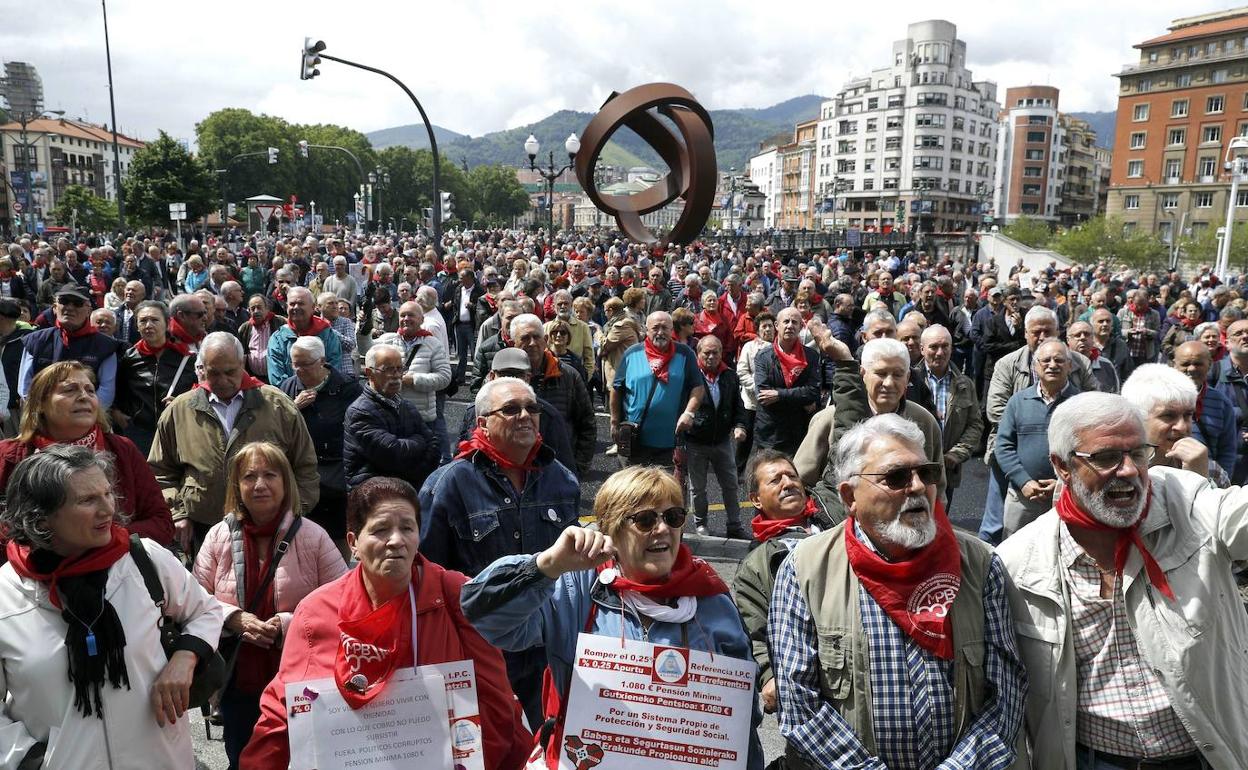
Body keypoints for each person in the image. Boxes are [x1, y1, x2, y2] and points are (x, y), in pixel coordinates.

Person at [998, 391, 1248, 770]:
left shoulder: (1187, 498)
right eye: (1106, 457)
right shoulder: (1019, 563)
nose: (1129, 470)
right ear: (1062, 466)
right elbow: (1008, 700)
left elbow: (1237, 516)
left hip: (1207, 755)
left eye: (1137, 453)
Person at [461, 465, 764, 770]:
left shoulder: (712, 598)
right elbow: (483, 614)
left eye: (673, 517)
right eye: (645, 520)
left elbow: (740, 723)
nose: (662, 529)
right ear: (612, 531)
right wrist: (549, 564)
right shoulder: (575, 588)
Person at [771, 414, 1027, 770]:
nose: (919, 487)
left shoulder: (981, 565)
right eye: (897, 477)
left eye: (927, 473)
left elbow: (1007, 692)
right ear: (850, 496)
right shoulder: (805, 570)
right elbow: (799, 703)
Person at [241, 476, 531, 769]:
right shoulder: (315, 613)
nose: (396, 540)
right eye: (381, 530)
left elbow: (496, 706)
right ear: (353, 543)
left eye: (407, 528)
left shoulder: (456, 596)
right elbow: (283, 715)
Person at [0, 446, 224, 770]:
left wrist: (184, 658)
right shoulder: (7, 594)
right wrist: (29, 761)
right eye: (87, 500)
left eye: (107, 493)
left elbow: (207, 611)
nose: (107, 509)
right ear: (42, 517)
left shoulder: (144, 559)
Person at [420, 376, 579, 727]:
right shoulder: (448, 484)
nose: (525, 416)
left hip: (545, 651)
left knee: (544, 747)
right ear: (482, 423)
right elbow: (426, 576)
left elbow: (575, 575)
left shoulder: (562, 480)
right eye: (510, 409)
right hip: (480, 652)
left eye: (531, 408)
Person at [192, 442, 346, 769]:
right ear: (237, 486)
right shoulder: (218, 536)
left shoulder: (314, 537)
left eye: (269, 475)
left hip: (304, 682)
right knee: (244, 757)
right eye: (249, 477)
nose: (260, 484)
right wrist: (234, 618)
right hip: (237, 680)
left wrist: (288, 624)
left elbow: (345, 604)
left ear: (285, 482)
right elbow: (194, 601)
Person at [150, 332, 320, 555]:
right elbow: (160, 472)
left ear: (243, 364)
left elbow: (305, 466)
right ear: (201, 368)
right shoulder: (179, 411)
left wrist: (294, 513)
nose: (222, 380)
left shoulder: (277, 405)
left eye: (230, 372)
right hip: (203, 530)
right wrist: (179, 514)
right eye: (213, 373)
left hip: (272, 529)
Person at [0, 359, 175, 548]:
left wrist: (106, 540)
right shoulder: (8, 456)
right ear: (40, 403)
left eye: (90, 390)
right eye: (70, 390)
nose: (84, 396)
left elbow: (161, 522)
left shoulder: (123, 450)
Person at [732, 450, 835, 717]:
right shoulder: (756, 566)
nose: (788, 483)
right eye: (775, 480)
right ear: (755, 499)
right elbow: (754, 630)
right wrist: (768, 677)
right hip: (813, 682)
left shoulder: (834, 521)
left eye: (792, 476)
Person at [277, 336, 362, 546]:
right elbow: (274, 430)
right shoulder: (286, 389)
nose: (298, 370)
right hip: (301, 476)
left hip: (336, 476)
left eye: (304, 364)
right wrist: (293, 408)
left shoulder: (347, 388)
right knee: (301, 537)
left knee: (337, 538)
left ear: (322, 361)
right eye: (294, 364)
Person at [995, 339, 1079, 538]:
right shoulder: (1018, 401)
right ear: (1035, 365)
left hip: (1067, 495)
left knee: (1061, 552)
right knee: (1014, 551)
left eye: (1059, 360)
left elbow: (1088, 452)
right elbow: (1004, 446)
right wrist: (1023, 481)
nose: (1052, 365)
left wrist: (1062, 484)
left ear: (1070, 365)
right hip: (1022, 496)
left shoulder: (1081, 403)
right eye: (1046, 360)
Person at [456, 348, 577, 473]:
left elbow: (565, 472)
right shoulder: (475, 410)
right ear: (492, 376)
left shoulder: (548, 414)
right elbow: (461, 455)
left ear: (529, 378)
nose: (524, 415)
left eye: (518, 375)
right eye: (505, 375)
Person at [342, 342, 441, 491]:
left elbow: (435, 446)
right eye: (388, 369)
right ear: (369, 373)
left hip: (407, 491)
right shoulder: (360, 411)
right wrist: (419, 441)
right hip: (374, 497)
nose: (396, 376)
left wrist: (415, 472)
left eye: (399, 369)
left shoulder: (406, 405)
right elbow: (393, 454)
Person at [610, 311, 704, 468]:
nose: (660, 332)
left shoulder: (685, 354)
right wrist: (614, 421)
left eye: (665, 328)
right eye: (655, 328)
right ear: (646, 330)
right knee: (632, 490)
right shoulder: (631, 353)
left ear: (671, 330)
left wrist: (689, 413)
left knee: (664, 491)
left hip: (669, 441)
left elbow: (698, 387)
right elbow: (616, 389)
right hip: (634, 439)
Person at [511, 314, 595, 477]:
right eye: (525, 338)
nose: (533, 343)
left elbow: (587, 423)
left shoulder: (569, 375)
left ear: (546, 339)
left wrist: (578, 467)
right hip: (514, 470)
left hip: (558, 469)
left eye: (537, 337)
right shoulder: (503, 378)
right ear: (512, 342)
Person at [113, 299, 198, 456]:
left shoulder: (186, 357)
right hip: (140, 433)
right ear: (137, 326)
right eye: (143, 321)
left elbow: (199, 390)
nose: (148, 325)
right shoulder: (130, 357)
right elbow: (119, 389)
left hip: (177, 429)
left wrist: (182, 402)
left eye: (154, 320)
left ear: (167, 323)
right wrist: (116, 413)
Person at [19, 284, 121, 409]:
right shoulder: (35, 340)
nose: (69, 308)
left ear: (88, 311)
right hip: (43, 417)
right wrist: (49, 412)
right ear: (55, 308)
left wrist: (81, 413)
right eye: (64, 301)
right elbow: (25, 387)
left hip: (87, 419)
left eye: (77, 303)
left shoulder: (106, 346)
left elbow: (106, 391)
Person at [686, 335, 748, 537]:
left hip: (722, 441)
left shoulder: (730, 375)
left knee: (730, 485)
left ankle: (735, 525)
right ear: (699, 353)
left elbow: (738, 406)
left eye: (716, 352)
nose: (711, 357)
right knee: (698, 489)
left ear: (722, 353)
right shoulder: (690, 376)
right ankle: (701, 524)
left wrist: (740, 426)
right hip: (695, 441)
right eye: (707, 353)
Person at [1121, 363, 1221, 482]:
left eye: (1188, 415)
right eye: (1168, 416)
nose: (1182, 427)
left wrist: (1198, 478)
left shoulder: (1211, 471)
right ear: (1137, 419)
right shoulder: (1119, 471)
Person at [753, 307, 821, 455]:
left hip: (799, 431)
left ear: (801, 327)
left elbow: (814, 392)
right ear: (777, 325)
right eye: (786, 321)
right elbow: (763, 395)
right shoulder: (763, 356)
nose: (790, 325)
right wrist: (800, 399)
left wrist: (779, 395)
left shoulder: (811, 356)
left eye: (794, 322)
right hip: (771, 433)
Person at [1172, 340, 1239, 478]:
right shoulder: (1159, 398)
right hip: (1166, 481)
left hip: (1206, 481)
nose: (1191, 369)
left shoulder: (1222, 403)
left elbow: (1227, 450)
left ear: (1209, 365)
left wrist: (1220, 485)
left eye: (1198, 364)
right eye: (1185, 364)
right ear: (1174, 365)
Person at [266, 286, 343, 385]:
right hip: (289, 397)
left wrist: (314, 391)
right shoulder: (277, 339)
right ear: (286, 307)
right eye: (292, 304)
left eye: (301, 303)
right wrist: (296, 392)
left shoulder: (327, 334)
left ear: (312, 307)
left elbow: (333, 369)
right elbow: (276, 378)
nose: (296, 307)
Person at [237, 295, 285, 384]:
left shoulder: (280, 323)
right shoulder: (245, 329)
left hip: (277, 378)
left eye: (259, 308)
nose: (256, 311)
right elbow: (242, 356)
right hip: (254, 379)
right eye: (253, 309)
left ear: (267, 308)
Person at [113, 280, 145, 345]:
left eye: (134, 290)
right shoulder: (115, 313)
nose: (130, 292)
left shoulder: (147, 313)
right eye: (128, 289)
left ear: (142, 295)